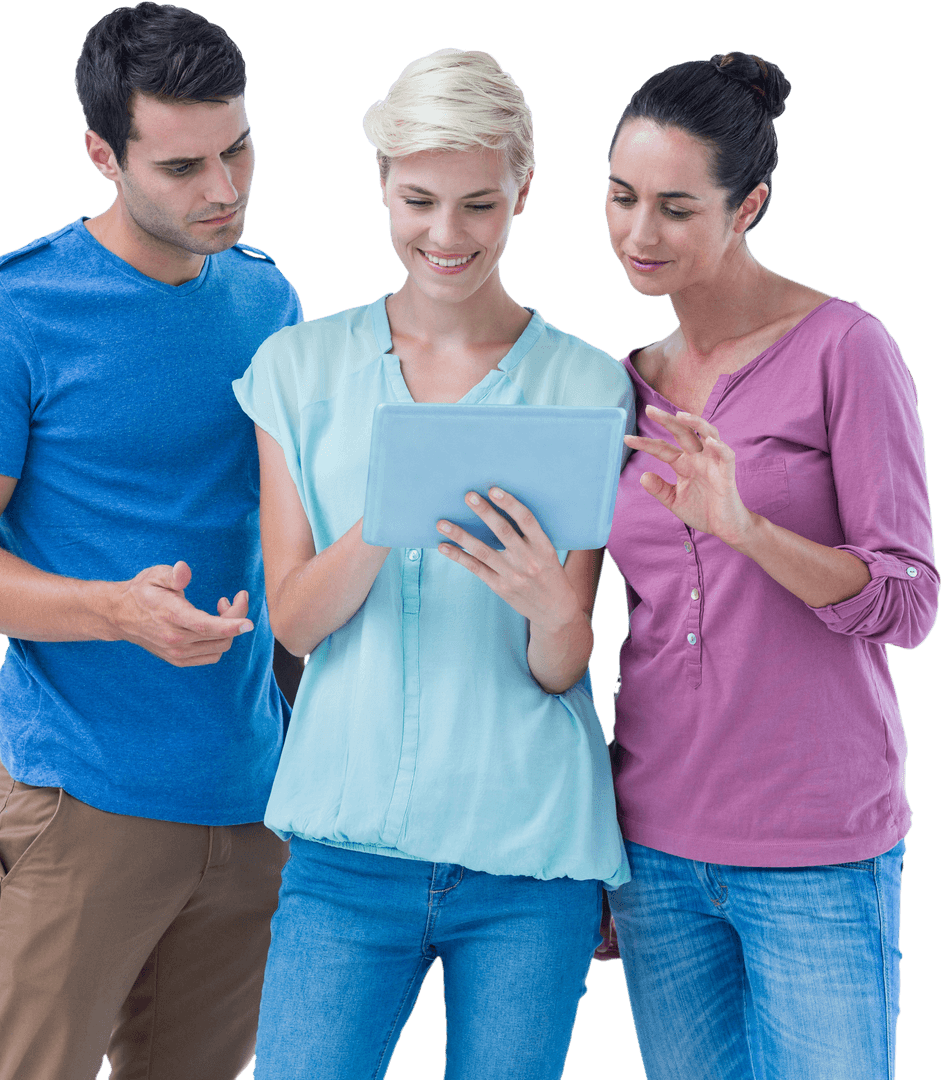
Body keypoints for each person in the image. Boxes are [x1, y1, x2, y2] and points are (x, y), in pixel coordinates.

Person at [0, 4, 301, 1078]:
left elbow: (284, 536)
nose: (222, 189)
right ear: (103, 154)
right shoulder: (6, 311)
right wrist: (113, 611)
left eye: (239, 149)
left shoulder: (268, 298)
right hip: (80, 810)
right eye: (182, 166)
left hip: (251, 804)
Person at [231, 48, 634, 1080]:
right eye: (418, 199)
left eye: (479, 205)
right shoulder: (299, 370)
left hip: (525, 861)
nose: (446, 236)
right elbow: (296, 624)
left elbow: (561, 666)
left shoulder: (587, 384)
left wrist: (551, 608)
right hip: (343, 857)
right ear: (381, 182)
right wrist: (390, 506)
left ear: (524, 192)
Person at [600, 53, 938, 1080]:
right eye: (620, 197)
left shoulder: (847, 348)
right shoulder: (624, 385)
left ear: (747, 206)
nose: (638, 234)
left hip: (817, 848)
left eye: (674, 207)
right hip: (657, 844)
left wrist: (744, 525)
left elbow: (908, 601)